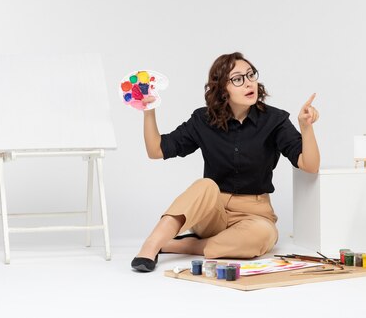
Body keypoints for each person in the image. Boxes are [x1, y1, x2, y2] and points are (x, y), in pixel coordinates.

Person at [131, 52, 320, 272]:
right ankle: (151, 246)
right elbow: (156, 150)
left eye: (251, 75)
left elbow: (310, 165)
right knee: (205, 185)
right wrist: (148, 111)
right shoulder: (203, 120)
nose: (249, 83)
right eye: (238, 79)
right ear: (222, 89)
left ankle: (182, 244)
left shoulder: (275, 120)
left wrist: (306, 127)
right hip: (212, 211)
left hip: (254, 214)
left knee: (264, 236)